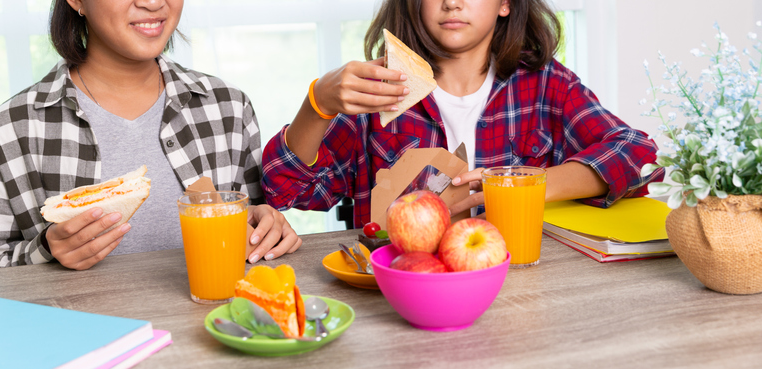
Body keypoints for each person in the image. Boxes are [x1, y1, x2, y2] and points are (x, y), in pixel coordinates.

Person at [0, 0, 301, 271]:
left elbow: (255, 230)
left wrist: (266, 225)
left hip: (215, 333)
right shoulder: (14, 127)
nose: (153, 3)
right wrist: (47, 250)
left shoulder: (228, 105)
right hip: (84, 342)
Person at [261, 0, 664, 227]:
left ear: (506, 4)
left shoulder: (544, 84)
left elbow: (640, 157)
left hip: (521, 284)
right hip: (398, 296)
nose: (452, 2)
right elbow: (286, 189)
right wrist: (317, 105)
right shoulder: (378, 87)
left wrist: (523, 185)